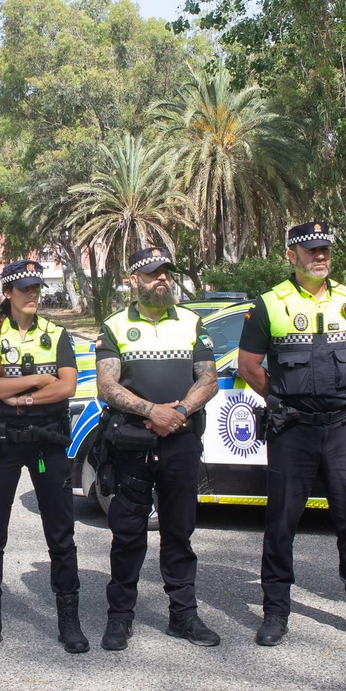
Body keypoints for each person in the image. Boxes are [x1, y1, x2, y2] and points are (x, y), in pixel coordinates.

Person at [237, 221, 346, 646]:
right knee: (281, 524)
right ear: (292, 255)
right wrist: (286, 398)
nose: (319, 256)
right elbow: (249, 367)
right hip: (293, 430)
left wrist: (335, 395)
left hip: (341, 429)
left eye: (325, 249)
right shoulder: (269, 304)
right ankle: (275, 613)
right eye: (310, 250)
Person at [94, 246, 220, 651]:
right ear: (134, 280)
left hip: (180, 439)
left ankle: (183, 615)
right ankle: (120, 617)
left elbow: (209, 380)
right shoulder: (115, 326)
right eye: (152, 273)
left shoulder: (191, 322)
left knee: (179, 531)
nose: (162, 278)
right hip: (132, 443)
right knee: (128, 534)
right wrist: (152, 411)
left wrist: (177, 412)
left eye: (166, 271)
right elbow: (107, 385)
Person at [0, 259, 87, 655]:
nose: (33, 294)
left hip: (47, 444)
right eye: (25, 289)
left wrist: (21, 397)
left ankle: (69, 622)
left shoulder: (57, 334)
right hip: (3, 444)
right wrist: (36, 380)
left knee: (61, 534)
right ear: (8, 294)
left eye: (36, 288)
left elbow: (67, 387)